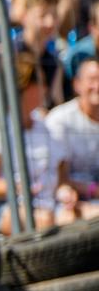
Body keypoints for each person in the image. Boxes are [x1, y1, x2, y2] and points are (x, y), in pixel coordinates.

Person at [0, 47, 75, 233]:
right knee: (42, 221)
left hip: (44, 206)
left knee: (77, 218)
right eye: (40, 83)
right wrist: (23, 188)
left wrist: (65, 191)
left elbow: (61, 177)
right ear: (23, 87)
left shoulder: (43, 125)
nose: (45, 89)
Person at [47, 57, 99, 203]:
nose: (97, 85)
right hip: (67, 202)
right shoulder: (60, 119)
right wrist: (93, 190)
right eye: (92, 80)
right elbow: (58, 178)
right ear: (77, 84)